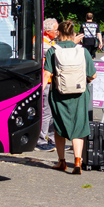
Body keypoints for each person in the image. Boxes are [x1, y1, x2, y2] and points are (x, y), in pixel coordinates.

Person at [44, 19, 96, 174]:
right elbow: (93, 75)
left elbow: (47, 73)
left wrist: (38, 91)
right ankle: (78, 162)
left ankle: (62, 162)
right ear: (73, 34)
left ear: (58, 33)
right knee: (78, 127)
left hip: (59, 94)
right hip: (80, 94)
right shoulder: (83, 51)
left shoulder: (52, 51)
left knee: (59, 128)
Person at [38, 17, 59, 149]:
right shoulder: (42, 43)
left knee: (52, 111)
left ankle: (52, 138)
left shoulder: (49, 42)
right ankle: (41, 140)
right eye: (56, 30)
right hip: (47, 81)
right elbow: (57, 54)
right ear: (47, 31)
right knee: (47, 111)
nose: (58, 32)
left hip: (52, 81)